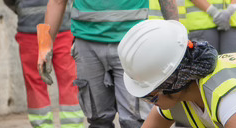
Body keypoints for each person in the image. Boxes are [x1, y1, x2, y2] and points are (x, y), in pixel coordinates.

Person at [117, 20, 236, 128]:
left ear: (173, 83)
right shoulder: (174, 98)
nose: (151, 103)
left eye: (149, 97)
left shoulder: (227, 97)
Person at [41, 0, 179, 127]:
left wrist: (177, 41)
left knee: (134, 120)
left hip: (131, 41)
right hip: (89, 42)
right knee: (100, 119)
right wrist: (44, 46)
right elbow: (57, 1)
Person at [3, 0, 84, 128]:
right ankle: (71, 125)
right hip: (57, 27)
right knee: (69, 80)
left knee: (37, 82)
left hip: (34, 27)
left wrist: (22, 8)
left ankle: (45, 125)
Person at [149, 0, 236, 54]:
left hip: (230, 21)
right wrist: (213, 12)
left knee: (234, 66)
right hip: (202, 23)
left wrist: (231, 9)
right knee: (207, 71)